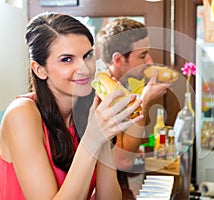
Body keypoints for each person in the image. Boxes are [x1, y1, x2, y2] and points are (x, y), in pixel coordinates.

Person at [0, 12, 144, 200]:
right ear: (39, 69)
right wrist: (92, 138)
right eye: (67, 59)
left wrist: (103, 137)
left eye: (87, 55)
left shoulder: (90, 111)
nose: (84, 69)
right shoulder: (21, 114)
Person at [96, 18, 172, 199]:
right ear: (118, 59)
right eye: (142, 55)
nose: (150, 61)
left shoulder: (123, 86)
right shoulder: (100, 92)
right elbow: (124, 160)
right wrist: (145, 101)